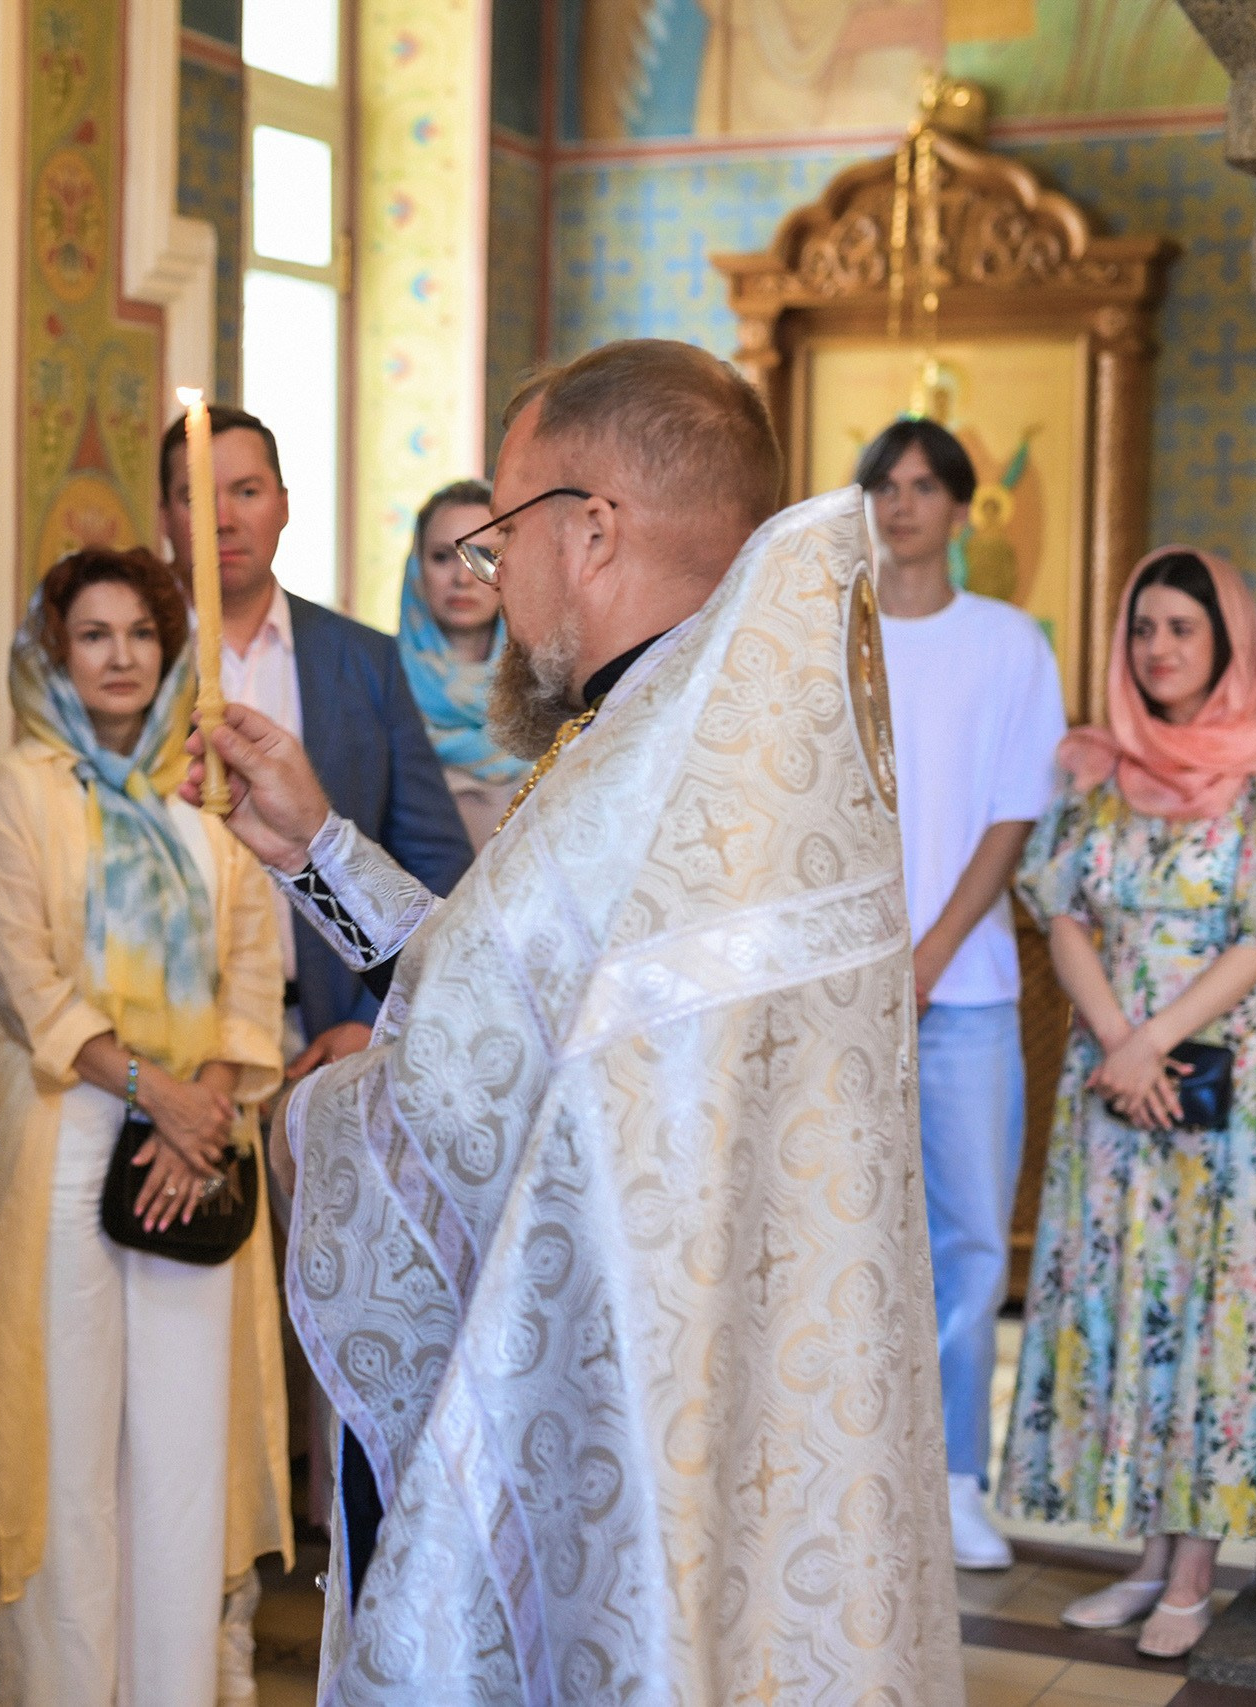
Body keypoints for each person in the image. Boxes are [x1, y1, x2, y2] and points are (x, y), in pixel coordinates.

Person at [193, 340, 959, 1699]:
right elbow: (521, 1004)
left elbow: (457, 1092)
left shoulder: (642, 768)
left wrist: (312, 1105)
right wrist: (317, 846)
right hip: (736, 1411)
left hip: (630, 1408)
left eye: (499, 533)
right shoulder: (714, 741)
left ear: (590, 527)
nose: (492, 579)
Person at [0, 547, 291, 1704]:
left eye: (140, 636)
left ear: (170, 654)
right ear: (54, 654)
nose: (118, 657)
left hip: (196, 1153)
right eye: (91, 635)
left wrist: (198, 1109)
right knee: (66, 1465)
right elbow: (27, 986)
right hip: (71, 1144)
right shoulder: (17, 793)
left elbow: (255, 973)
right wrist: (159, 1096)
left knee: (181, 1458)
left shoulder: (208, 802)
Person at [1002, 547, 1256, 1658]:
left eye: (1181, 629)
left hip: (1227, 1079)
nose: (1156, 649)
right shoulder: (1095, 769)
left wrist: (1150, 1038)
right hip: (1113, 1082)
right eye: (1141, 628)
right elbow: (1063, 915)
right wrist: (1113, 1039)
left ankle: (1196, 1564)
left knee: (1211, 1312)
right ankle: (1148, 1557)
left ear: (1227, 641)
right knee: (1129, 1302)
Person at [858, 417, 1068, 1572]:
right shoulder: (832, 640)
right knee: (841, 1236)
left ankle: (952, 1483)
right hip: (839, 994)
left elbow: (1011, 811)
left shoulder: (1006, 645)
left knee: (970, 1241)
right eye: (883, 486)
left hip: (971, 992)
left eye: (923, 486)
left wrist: (930, 954)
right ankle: (856, 1474)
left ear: (959, 507)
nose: (901, 506)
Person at [159, 406, 471, 1073]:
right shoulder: (133, 660)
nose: (223, 519)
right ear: (165, 517)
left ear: (284, 505)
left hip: (328, 1032)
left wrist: (373, 1019)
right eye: (195, 496)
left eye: (247, 491)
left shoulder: (364, 660)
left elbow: (436, 855)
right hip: (171, 1041)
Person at [396, 477, 528, 850]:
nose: (461, 578)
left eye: (483, 555)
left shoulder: (549, 686)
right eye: (442, 556)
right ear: (416, 568)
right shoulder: (378, 679)